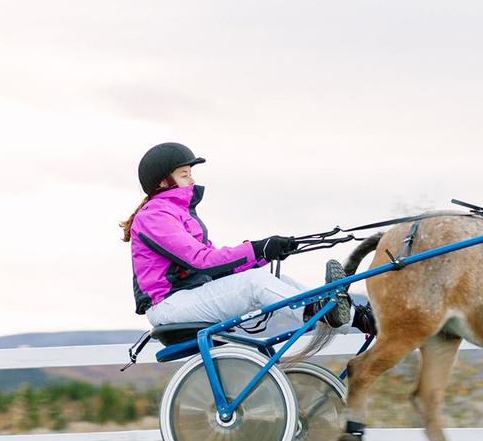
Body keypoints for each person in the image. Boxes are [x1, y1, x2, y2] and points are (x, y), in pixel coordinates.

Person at [120, 142, 350, 331]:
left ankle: (351, 315)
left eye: (191, 174)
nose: (191, 180)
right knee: (254, 283)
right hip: (169, 305)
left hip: (190, 296)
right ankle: (318, 310)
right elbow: (202, 261)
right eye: (184, 175)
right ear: (163, 182)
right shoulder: (154, 217)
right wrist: (258, 248)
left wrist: (264, 255)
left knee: (277, 280)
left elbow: (219, 268)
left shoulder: (180, 214)